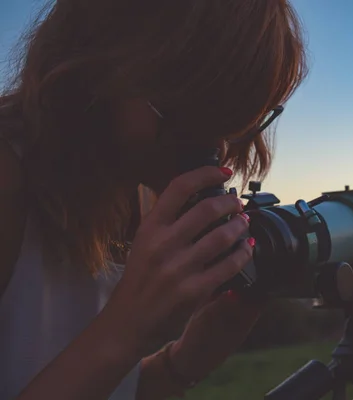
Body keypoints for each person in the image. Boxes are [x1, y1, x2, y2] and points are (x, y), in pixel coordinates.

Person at [0, 0, 308, 399]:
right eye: (192, 108)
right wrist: (124, 331)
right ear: (97, 60)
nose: (215, 145)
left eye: (237, 120)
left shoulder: (136, 191)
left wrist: (184, 359)